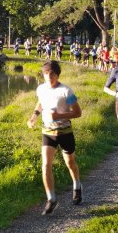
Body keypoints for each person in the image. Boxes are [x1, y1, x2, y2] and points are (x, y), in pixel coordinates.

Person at [27, 60, 83, 214]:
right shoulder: (41, 89)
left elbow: (78, 112)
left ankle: (77, 185)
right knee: (45, 165)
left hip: (65, 132)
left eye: (52, 74)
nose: (48, 77)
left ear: (57, 75)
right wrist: (34, 117)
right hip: (48, 132)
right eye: (46, 74)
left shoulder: (66, 91)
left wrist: (59, 115)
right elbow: (40, 103)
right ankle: (51, 199)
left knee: (70, 162)